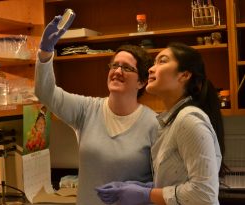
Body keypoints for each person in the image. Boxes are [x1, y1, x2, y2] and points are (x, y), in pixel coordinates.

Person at [34, 14, 158, 205]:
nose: (117, 72)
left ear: (141, 82)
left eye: (127, 68)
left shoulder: (154, 124)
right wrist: (45, 52)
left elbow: (164, 183)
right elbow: (46, 93)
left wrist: (143, 191)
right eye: (114, 65)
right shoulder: (87, 110)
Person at [96, 42, 225, 205]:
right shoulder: (172, 121)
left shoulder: (189, 120)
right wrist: (142, 187)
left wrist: (146, 194)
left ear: (184, 75)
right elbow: (179, 181)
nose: (151, 69)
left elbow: (204, 195)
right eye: (154, 62)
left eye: (162, 61)